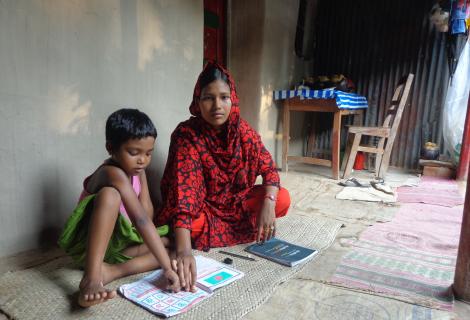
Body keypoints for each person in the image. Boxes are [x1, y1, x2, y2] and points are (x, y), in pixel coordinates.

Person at [157, 62, 291, 292]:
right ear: (198, 102)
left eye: (224, 97)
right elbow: (184, 196)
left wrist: (268, 203)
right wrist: (184, 251)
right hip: (203, 209)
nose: (217, 106)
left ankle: (202, 235)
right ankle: (182, 240)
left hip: (236, 203)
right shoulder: (186, 135)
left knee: (282, 199)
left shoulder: (243, 131)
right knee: (185, 227)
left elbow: (269, 169)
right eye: (208, 98)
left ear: (233, 100)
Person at [58, 108, 180, 307]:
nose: (142, 160)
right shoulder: (111, 173)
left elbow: (145, 214)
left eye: (148, 153)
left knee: (174, 252)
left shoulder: (137, 169)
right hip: (91, 249)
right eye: (134, 152)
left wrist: (168, 266)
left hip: (116, 245)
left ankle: (111, 271)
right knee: (110, 195)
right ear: (110, 148)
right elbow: (140, 220)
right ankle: (92, 278)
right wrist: (166, 269)